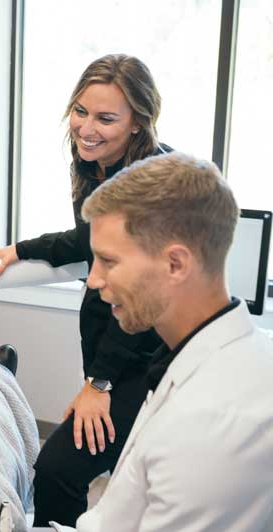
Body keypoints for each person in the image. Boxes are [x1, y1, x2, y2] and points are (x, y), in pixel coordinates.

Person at [0, 54, 171, 526]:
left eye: (106, 118)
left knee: (58, 471)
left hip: (145, 358)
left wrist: (101, 383)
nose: (87, 128)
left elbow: (142, 296)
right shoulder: (96, 164)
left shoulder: (151, 183)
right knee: (121, 476)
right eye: (81, 111)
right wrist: (22, 249)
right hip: (107, 352)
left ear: (138, 122)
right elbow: (88, 239)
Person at [48, 152, 273, 531]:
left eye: (109, 261)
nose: (94, 280)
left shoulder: (210, 421)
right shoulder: (198, 357)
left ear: (176, 265)